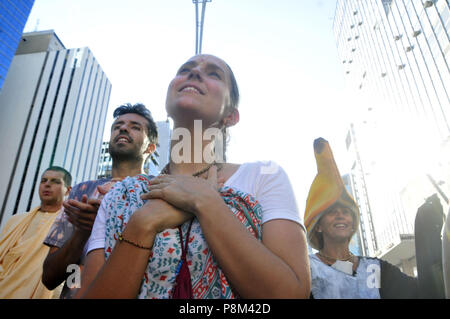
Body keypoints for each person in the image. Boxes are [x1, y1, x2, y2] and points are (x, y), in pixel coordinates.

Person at [76, 54, 311, 299]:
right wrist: (143, 224)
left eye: (213, 73)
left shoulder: (263, 176)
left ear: (230, 116)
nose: (194, 73)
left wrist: (205, 203)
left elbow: (292, 294)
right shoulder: (121, 195)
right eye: (185, 69)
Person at [41, 103, 158, 298]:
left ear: (150, 148)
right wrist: (83, 232)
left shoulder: (157, 190)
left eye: (135, 127)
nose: (123, 128)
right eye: (117, 125)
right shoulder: (82, 192)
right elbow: (50, 277)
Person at [304, 137, 419, 299]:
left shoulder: (376, 269)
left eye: (345, 211)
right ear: (318, 226)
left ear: (353, 224)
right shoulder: (306, 271)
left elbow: (422, 289)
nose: (340, 215)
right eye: (332, 211)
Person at [0, 166, 72, 298]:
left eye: (55, 181)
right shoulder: (15, 220)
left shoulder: (69, 225)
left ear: (68, 190)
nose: (47, 184)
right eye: (44, 180)